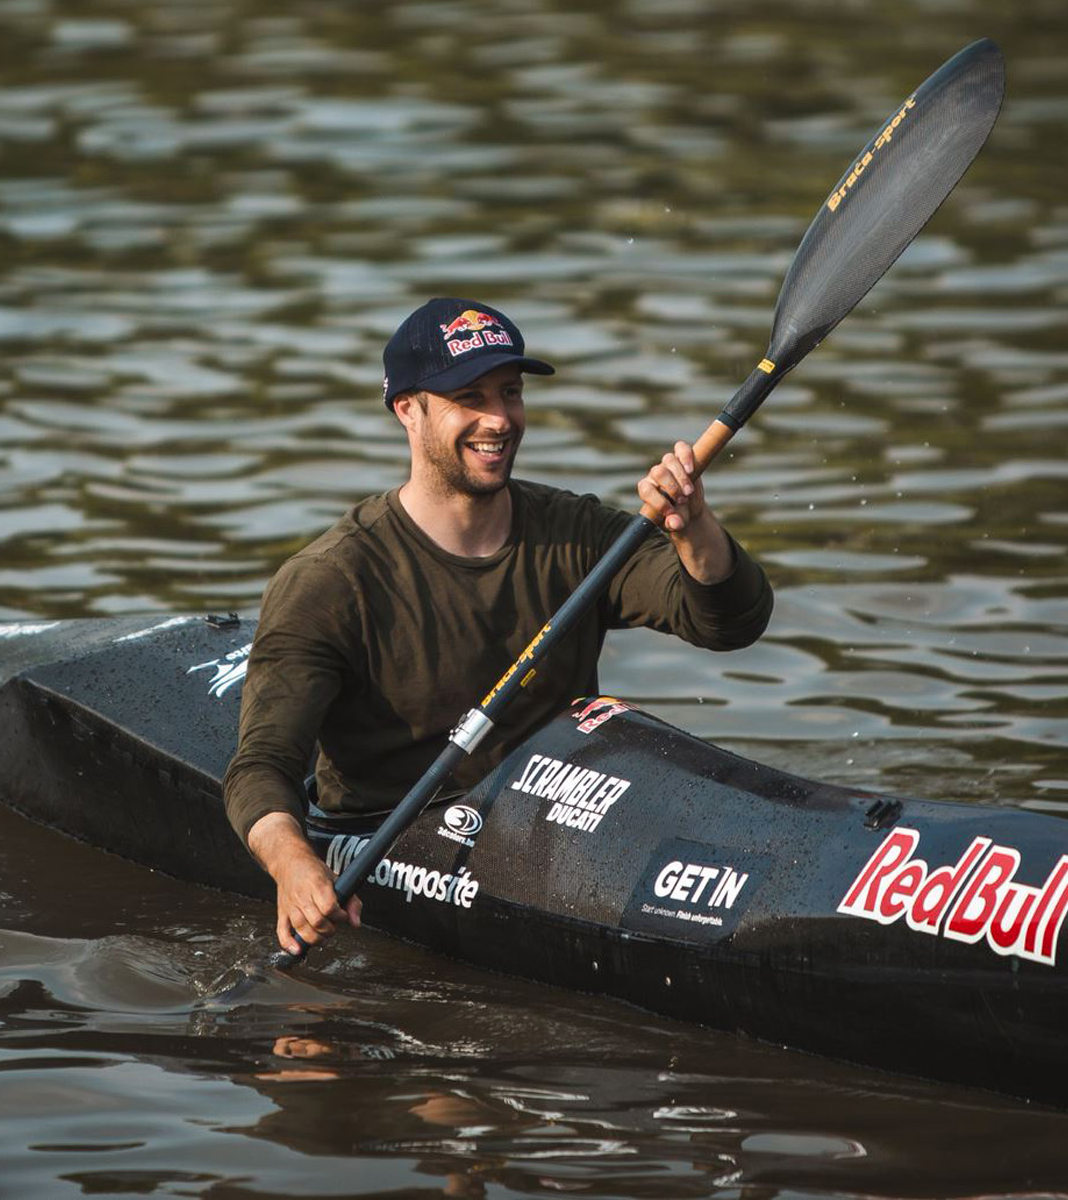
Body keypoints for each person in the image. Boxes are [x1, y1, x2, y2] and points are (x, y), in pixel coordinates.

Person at [223, 297, 773, 957]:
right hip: (398, 832)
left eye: (509, 393)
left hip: (555, 836)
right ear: (407, 409)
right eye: (469, 396)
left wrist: (694, 530)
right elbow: (261, 768)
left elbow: (728, 622)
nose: (499, 419)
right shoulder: (331, 581)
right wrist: (294, 866)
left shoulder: (574, 535)